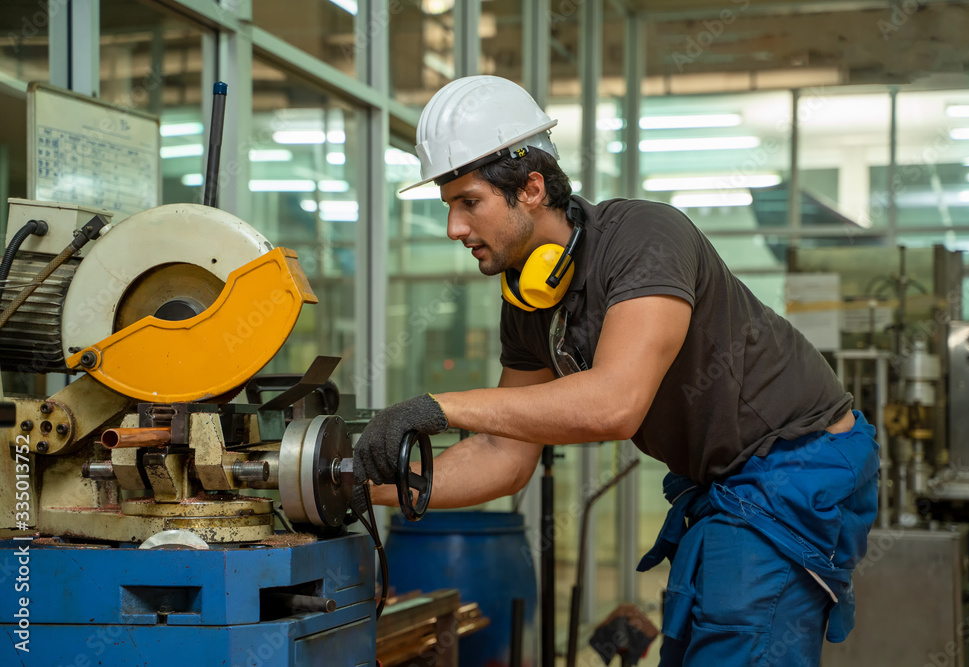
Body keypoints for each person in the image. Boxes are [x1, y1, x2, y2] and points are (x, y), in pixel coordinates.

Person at [351, 75, 880, 666]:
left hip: (798, 462)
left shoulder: (643, 236)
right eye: (447, 205)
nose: (454, 228)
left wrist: (437, 408)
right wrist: (355, 486)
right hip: (725, 482)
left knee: (737, 645)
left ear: (530, 187)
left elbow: (614, 402)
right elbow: (503, 455)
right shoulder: (527, 303)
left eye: (468, 202)